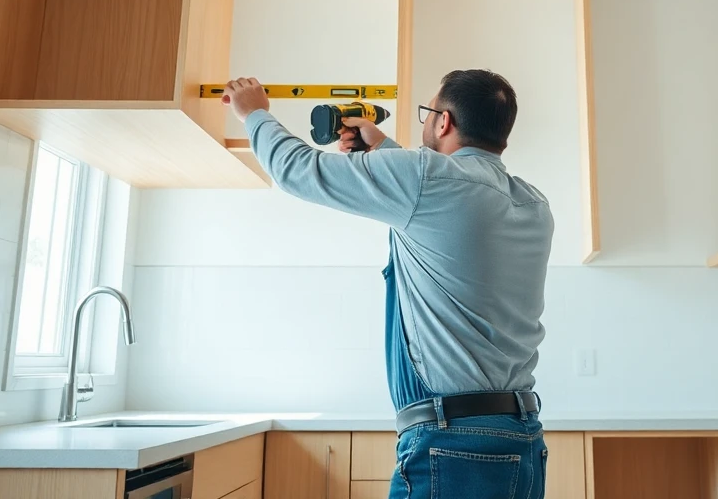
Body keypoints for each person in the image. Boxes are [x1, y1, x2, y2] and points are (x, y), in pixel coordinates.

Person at [222, 70, 553, 499]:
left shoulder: (425, 178)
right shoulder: (533, 203)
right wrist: (382, 150)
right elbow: (444, 200)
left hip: (452, 441)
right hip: (522, 438)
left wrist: (254, 113)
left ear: (444, 121)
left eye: (428, 112)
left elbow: (296, 170)